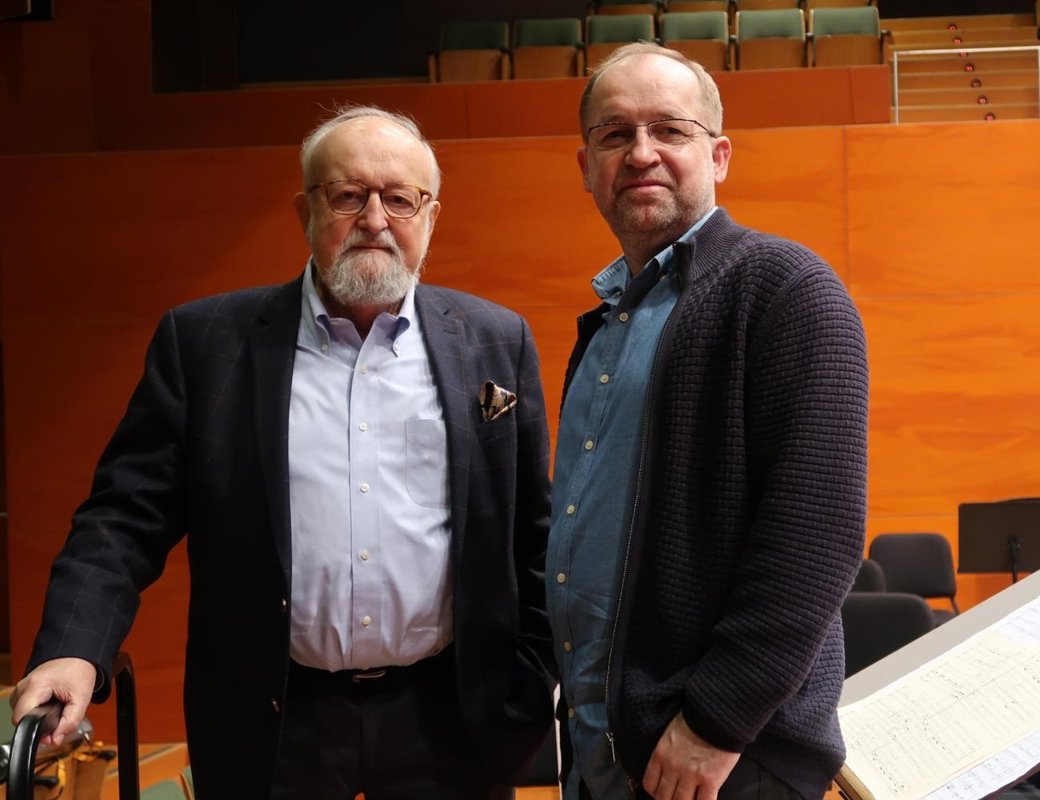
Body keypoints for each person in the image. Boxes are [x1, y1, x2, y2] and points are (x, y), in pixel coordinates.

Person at [11, 105, 556, 799]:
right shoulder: (206, 343)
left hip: (451, 720)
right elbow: (123, 518)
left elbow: (533, 532)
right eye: (348, 195)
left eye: (400, 199)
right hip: (273, 724)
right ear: (306, 210)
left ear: (431, 217)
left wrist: (536, 675)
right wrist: (73, 649)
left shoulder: (495, 339)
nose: (375, 219)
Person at [548, 44, 869, 800]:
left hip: (718, 761)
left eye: (670, 129)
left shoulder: (786, 289)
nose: (641, 153)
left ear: (719, 155)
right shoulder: (605, 324)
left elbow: (817, 535)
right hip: (603, 746)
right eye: (615, 134)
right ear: (587, 166)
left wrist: (716, 723)